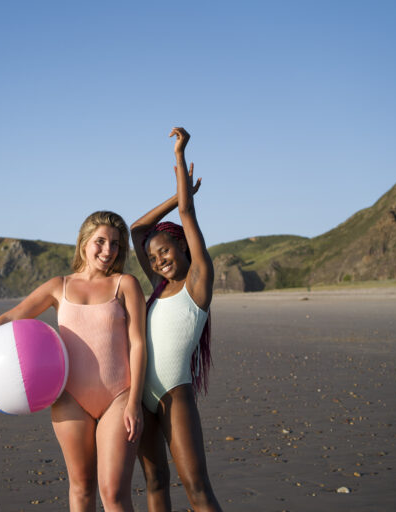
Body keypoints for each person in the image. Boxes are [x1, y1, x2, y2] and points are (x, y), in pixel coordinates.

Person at [0, 211, 147, 511]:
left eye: (115, 244)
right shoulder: (60, 286)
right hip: (70, 399)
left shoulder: (125, 285)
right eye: (100, 241)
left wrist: (134, 402)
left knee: (114, 494)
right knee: (81, 487)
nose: (108, 250)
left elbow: (138, 343)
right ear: (84, 242)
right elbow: (12, 317)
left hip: (118, 397)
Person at [130, 128, 222, 511]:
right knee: (155, 483)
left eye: (164, 252)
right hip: (141, 396)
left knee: (196, 488)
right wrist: (173, 196)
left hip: (173, 394)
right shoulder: (158, 285)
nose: (158, 261)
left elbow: (186, 214)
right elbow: (137, 230)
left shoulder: (197, 282)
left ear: (181, 244)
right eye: (153, 259)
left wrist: (180, 156)